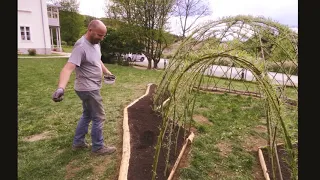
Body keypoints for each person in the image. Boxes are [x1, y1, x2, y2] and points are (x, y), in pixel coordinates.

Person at [52, 20, 116, 156]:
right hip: (88, 89)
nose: (101, 38)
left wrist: (107, 72)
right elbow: (67, 68)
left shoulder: (95, 43)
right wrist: (60, 88)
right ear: (90, 30)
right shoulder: (81, 46)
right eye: (99, 35)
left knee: (87, 114)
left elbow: (97, 60)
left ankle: (78, 143)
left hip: (90, 87)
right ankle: (98, 147)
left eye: (103, 36)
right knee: (98, 117)